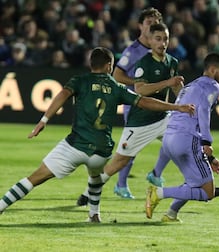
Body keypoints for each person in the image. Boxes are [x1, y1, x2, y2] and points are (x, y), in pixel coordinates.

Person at [0, 47, 195, 222]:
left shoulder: (80, 80)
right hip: (102, 152)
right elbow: (145, 101)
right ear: (109, 65)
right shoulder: (117, 88)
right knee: (95, 178)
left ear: (91, 64)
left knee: (34, 178)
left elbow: (62, 95)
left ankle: (1, 206)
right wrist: (176, 107)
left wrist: (43, 120)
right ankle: (94, 214)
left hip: (76, 146)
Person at [77, 7, 163, 203]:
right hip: (136, 106)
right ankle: (117, 185)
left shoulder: (160, 50)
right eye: (149, 22)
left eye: (156, 22)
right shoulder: (134, 51)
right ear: (140, 26)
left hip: (156, 109)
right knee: (128, 152)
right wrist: (138, 84)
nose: (152, 25)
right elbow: (117, 75)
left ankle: (156, 174)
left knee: (176, 141)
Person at [145, 52, 219, 222]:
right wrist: (207, 142)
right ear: (213, 70)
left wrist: (210, 157)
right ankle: (158, 193)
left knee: (192, 181)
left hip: (170, 138)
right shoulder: (213, 86)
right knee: (207, 192)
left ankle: (171, 214)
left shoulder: (192, 86)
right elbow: (203, 111)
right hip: (186, 139)